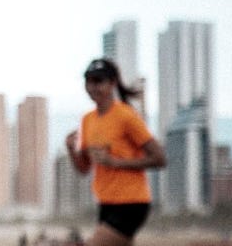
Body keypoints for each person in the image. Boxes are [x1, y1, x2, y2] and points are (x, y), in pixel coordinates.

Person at [64, 58, 166, 246]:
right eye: (89, 81)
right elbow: (84, 169)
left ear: (112, 83)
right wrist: (71, 149)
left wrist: (115, 162)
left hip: (131, 203)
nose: (92, 87)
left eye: (98, 81)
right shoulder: (88, 120)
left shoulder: (126, 116)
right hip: (105, 203)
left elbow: (159, 158)